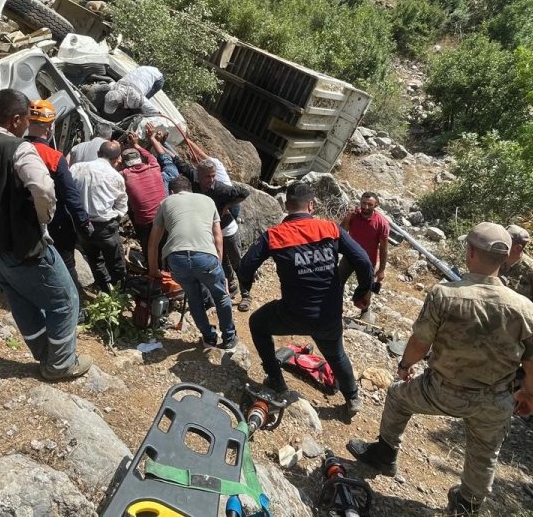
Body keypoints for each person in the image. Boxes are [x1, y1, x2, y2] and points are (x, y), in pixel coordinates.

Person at [347, 222, 533, 516]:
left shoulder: (444, 295)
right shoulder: (524, 308)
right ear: (504, 259)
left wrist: (404, 366)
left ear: (469, 253)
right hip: (493, 401)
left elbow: (419, 342)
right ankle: (467, 505)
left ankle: (384, 454)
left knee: (397, 395)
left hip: (440, 390)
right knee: (485, 453)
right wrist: (529, 396)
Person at [0, 88, 92, 380]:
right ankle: (60, 364)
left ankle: (45, 355)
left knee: (21, 302)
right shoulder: (19, 149)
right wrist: (43, 219)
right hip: (25, 247)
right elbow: (43, 188)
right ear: (16, 120)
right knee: (66, 301)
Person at [238, 182, 376, 416]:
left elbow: (245, 267)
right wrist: (362, 292)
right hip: (327, 316)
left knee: (257, 323)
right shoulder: (330, 229)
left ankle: (276, 379)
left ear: (286, 205)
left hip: (292, 314)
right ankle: (352, 398)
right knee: (336, 354)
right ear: (311, 205)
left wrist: (246, 287)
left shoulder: (274, 236)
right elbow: (363, 260)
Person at [146, 176, 238, 349]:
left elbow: (153, 243)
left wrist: (154, 271)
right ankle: (229, 337)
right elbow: (218, 236)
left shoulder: (166, 202)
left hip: (177, 259)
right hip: (206, 257)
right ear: (190, 189)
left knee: (195, 299)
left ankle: (209, 338)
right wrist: (218, 264)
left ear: (172, 192)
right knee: (221, 297)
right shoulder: (207, 200)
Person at [24, 99, 92, 298]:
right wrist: (84, 223)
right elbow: (70, 195)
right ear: (50, 126)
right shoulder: (54, 157)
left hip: (22, 218)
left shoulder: (14, 150)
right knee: (66, 263)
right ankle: (74, 306)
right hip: (55, 220)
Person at [186, 158, 252, 311]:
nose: (211, 180)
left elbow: (244, 192)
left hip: (227, 230)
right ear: (199, 176)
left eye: (213, 175)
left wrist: (227, 206)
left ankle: (246, 294)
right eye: (208, 176)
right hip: (210, 231)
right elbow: (178, 163)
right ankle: (232, 286)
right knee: (222, 263)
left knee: (237, 262)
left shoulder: (221, 189)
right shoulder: (194, 181)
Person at [70, 140, 128, 293]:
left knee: (95, 259)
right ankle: (119, 293)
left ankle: (105, 290)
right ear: (117, 159)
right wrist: (116, 219)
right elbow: (122, 204)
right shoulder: (115, 177)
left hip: (82, 224)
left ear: (98, 154)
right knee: (116, 262)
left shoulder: (76, 168)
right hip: (105, 227)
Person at [500, 225, 533, 348]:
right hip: (501, 327)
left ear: (517, 247)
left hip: (524, 332)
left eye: (505, 243)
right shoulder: (498, 261)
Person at [338, 191, 390, 321]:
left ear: (376, 205)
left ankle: (364, 312)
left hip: (368, 261)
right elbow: (341, 232)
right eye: (363, 204)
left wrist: (382, 269)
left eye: (370, 205)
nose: (366, 207)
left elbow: (384, 248)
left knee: (366, 287)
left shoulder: (382, 223)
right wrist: (347, 218)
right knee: (337, 281)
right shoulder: (354, 215)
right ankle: (335, 308)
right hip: (350, 257)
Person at [118, 131, 167, 253]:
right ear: (139, 159)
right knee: (164, 247)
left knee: (149, 248)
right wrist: (136, 145)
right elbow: (150, 156)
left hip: (144, 222)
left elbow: (113, 171)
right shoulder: (155, 167)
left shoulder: (124, 175)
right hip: (164, 217)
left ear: (124, 164)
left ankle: (151, 267)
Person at [96, 65, 163, 119]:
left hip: (157, 79)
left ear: (120, 103)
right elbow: (109, 84)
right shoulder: (114, 87)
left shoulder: (137, 98)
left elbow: (156, 112)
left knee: (141, 110)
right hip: (142, 70)